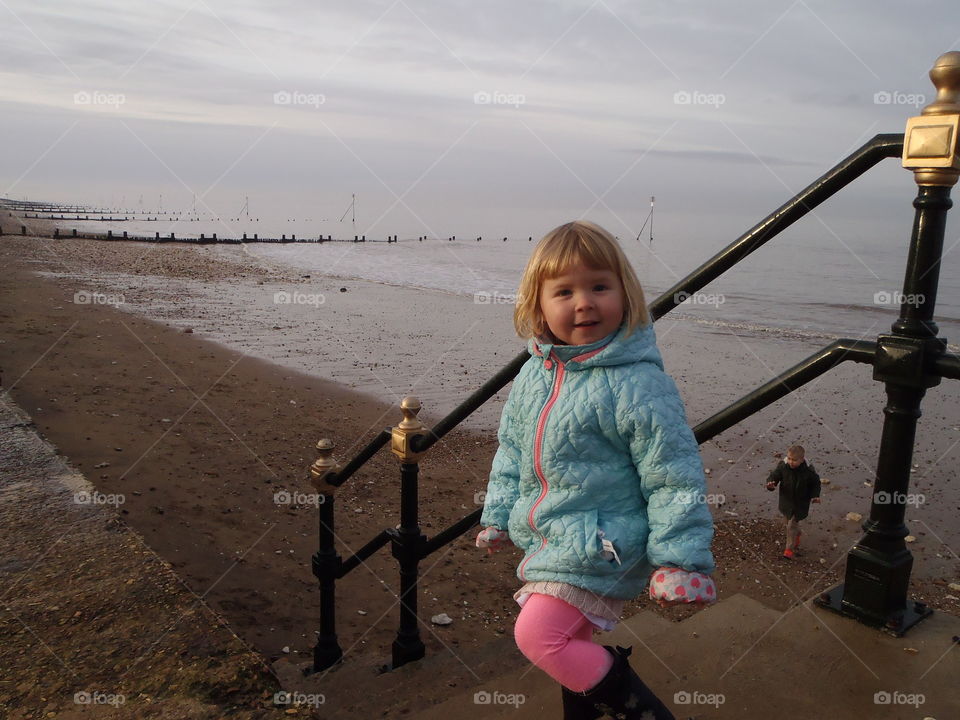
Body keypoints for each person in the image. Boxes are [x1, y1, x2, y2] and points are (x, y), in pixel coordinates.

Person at [476, 220, 716, 720]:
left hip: (603, 543)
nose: (583, 302)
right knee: (571, 638)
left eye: (599, 287)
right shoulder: (533, 374)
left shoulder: (637, 383)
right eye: (564, 291)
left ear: (624, 295)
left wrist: (678, 559)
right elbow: (511, 451)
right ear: (537, 305)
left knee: (540, 636)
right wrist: (497, 515)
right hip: (552, 534)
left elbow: (674, 475)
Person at [765, 444, 821, 559]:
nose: (791, 462)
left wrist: (815, 496)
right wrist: (771, 484)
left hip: (800, 504)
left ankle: (788, 550)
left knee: (791, 526)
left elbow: (816, 484)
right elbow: (774, 476)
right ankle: (798, 534)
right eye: (789, 458)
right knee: (788, 524)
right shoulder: (783, 467)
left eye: (794, 460)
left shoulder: (808, 471)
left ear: (802, 459)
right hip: (786, 502)